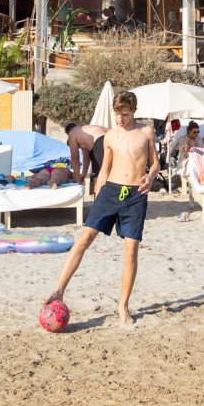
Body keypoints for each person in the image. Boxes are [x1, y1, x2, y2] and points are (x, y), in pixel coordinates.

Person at [47, 91, 159, 326]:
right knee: (83, 239)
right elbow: (105, 168)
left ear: (133, 111)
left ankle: (123, 305)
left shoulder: (146, 132)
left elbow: (154, 162)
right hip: (110, 192)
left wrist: (150, 176)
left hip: (135, 195)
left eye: (125, 114)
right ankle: (58, 291)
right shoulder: (109, 137)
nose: (120, 119)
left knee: (130, 252)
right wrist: (98, 191)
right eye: (117, 114)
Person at [64, 122, 109, 190]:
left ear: (68, 133)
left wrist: (78, 180)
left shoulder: (72, 133)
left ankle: (99, 198)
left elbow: (75, 158)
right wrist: (83, 174)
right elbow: (86, 156)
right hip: (113, 136)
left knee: (99, 177)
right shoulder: (86, 130)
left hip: (100, 141)